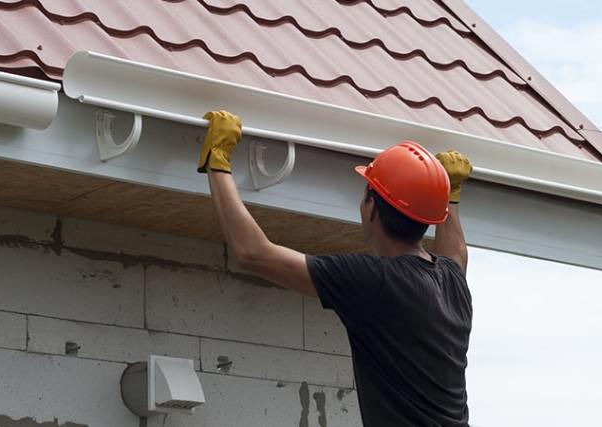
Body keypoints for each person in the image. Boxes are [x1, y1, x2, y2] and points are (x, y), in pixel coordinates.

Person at [200, 110, 473, 426]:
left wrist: (218, 161)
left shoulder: (376, 282)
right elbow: (456, 254)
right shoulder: (451, 282)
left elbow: (254, 254)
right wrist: (450, 196)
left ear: (371, 207)